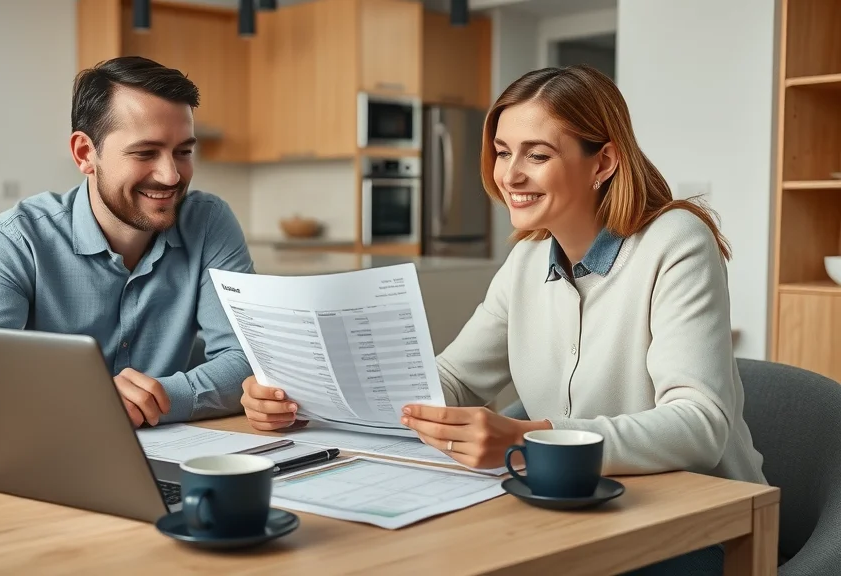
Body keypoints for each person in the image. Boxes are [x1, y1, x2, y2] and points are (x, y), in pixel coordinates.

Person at [239, 65, 767, 573]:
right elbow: (456, 380)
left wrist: (526, 440)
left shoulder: (675, 242)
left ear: (603, 162)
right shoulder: (528, 259)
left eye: (536, 155)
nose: (509, 174)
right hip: (574, 515)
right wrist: (306, 399)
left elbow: (700, 427)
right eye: (501, 152)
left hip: (695, 527)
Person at [0, 56, 254, 427]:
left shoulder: (208, 222)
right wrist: (97, 402)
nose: (171, 175)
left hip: (176, 451)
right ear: (85, 154)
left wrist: (151, 401)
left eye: (183, 152)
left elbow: (247, 359)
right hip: (52, 451)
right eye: (145, 153)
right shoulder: (15, 240)